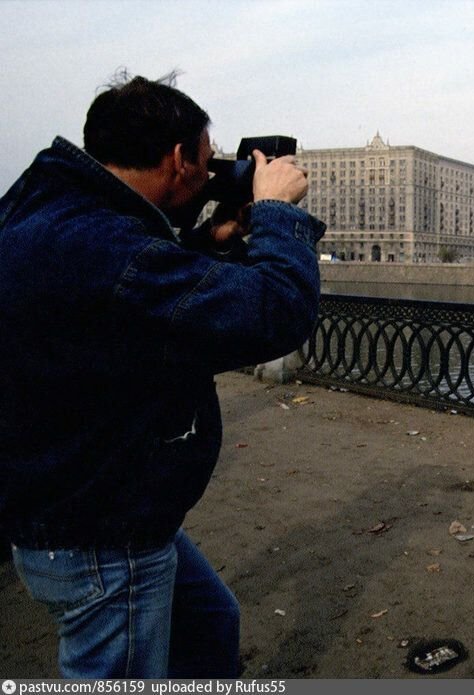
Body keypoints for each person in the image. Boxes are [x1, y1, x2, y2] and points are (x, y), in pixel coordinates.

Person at [0, 72, 326, 678]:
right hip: (99, 535)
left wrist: (207, 239)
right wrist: (278, 213)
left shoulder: (54, 208)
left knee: (207, 626)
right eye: (206, 164)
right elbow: (275, 313)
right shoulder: (104, 245)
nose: (210, 176)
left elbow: (124, 309)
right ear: (177, 160)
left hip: (88, 500)